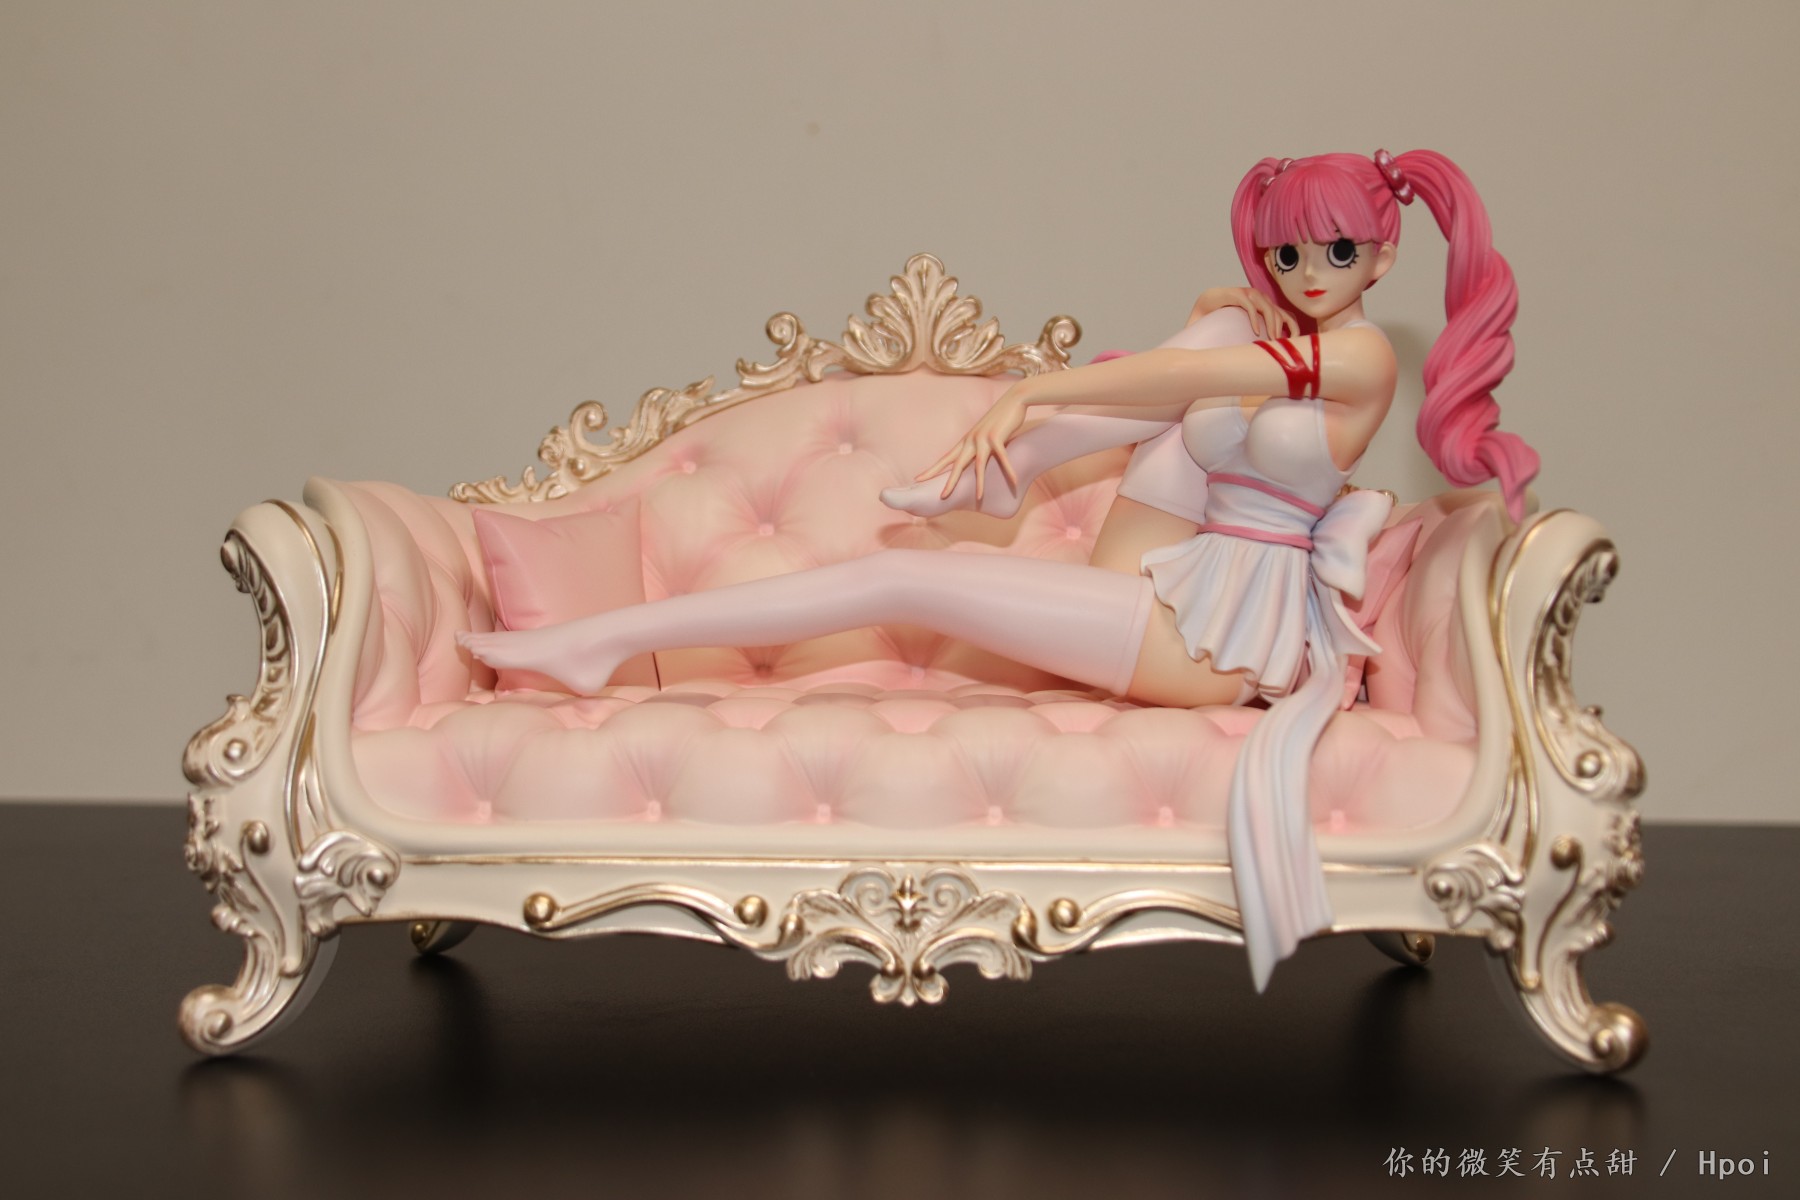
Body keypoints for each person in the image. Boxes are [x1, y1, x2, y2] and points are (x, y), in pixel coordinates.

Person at [458, 149, 1535, 987]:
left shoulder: (1361, 355)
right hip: (1179, 567)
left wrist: (1030, 392)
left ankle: (608, 640)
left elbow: (1181, 379)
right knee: (1212, 331)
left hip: (1218, 640)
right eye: (1288, 256)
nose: (1309, 277)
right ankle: (1006, 481)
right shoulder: (1269, 333)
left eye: (1337, 254)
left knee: (905, 579)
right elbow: (1197, 367)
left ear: (1383, 260)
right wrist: (1220, 305)